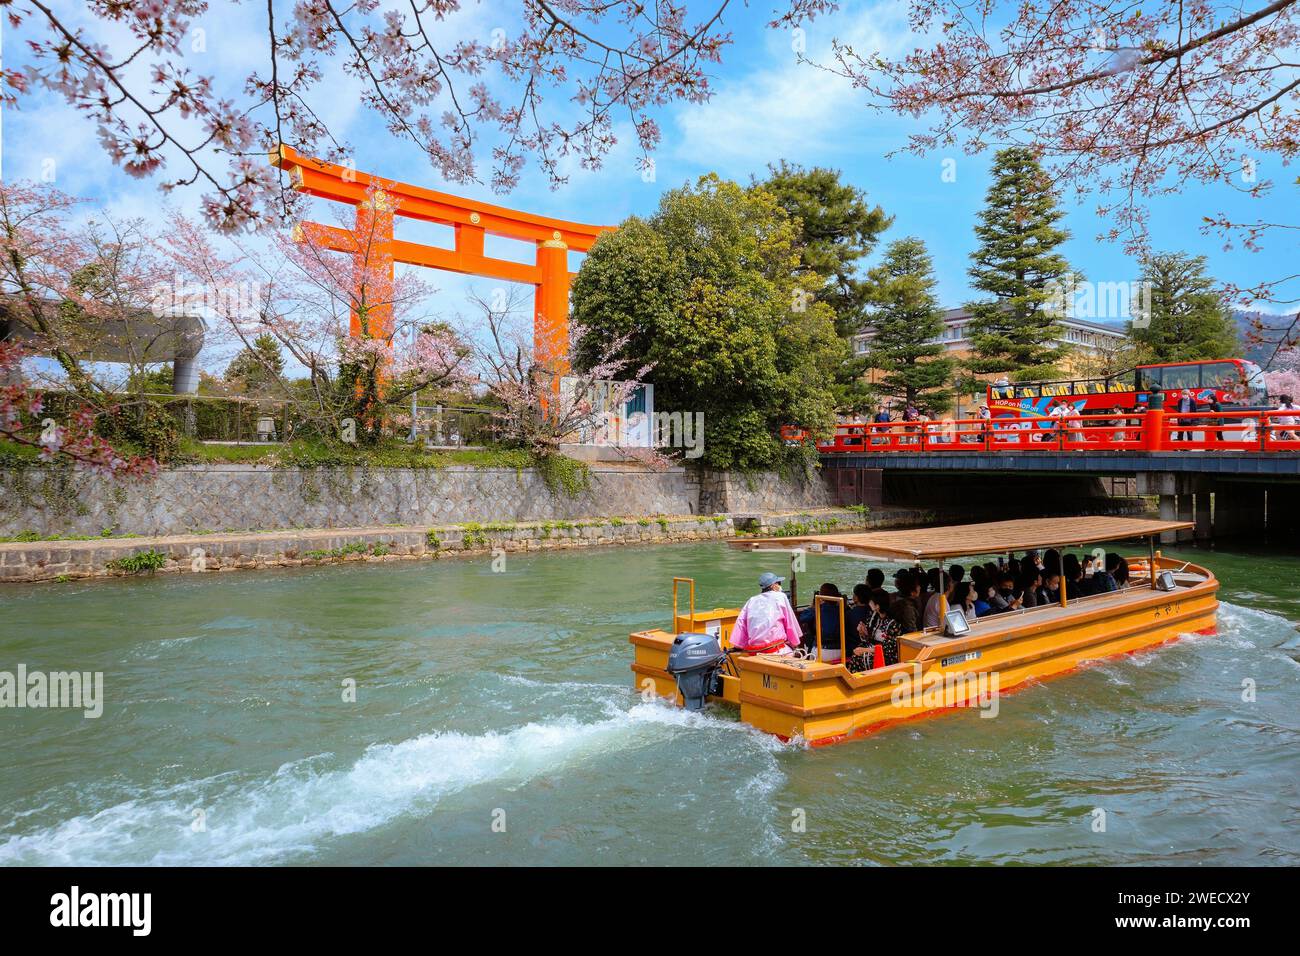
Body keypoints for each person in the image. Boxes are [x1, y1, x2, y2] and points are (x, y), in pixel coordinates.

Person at [730, 571, 801, 655]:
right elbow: (790, 623)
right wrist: (795, 643)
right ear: (773, 586)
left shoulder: (752, 600)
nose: (780, 586)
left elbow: (741, 624)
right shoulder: (780, 597)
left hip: (754, 651)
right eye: (779, 583)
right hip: (775, 650)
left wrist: (739, 646)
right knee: (795, 655)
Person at [848, 589, 900, 672]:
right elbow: (868, 640)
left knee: (862, 657)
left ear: (877, 606)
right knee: (856, 653)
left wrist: (865, 650)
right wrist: (863, 633)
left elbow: (889, 649)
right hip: (872, 649)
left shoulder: (893, 623)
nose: (869, 603)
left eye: (871, 602)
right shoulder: (873, 617)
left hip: (886, 654)